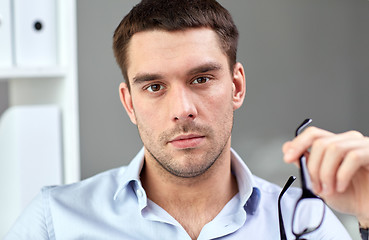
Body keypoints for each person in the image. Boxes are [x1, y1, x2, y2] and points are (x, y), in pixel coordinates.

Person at [5, 0, 369, 239]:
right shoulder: (55, 222)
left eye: (201, 79)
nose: (182, 109)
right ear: (129, 103)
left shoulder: (305, 224)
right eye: (154, 86)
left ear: (237, 86)